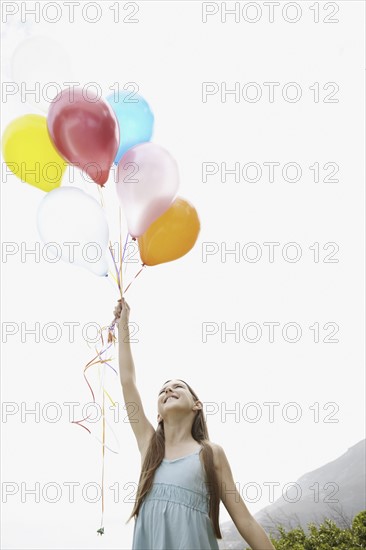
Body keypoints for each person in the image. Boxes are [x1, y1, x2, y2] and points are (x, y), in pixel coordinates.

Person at [114, 298, 275, 550]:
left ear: (196, 405)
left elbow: (244, 520)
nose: (168, 389)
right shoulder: (148, 446)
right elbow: (127, 381)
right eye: (162, 390)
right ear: (158, 415)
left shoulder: (211, 453)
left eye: (177, 386)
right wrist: (124, 325)